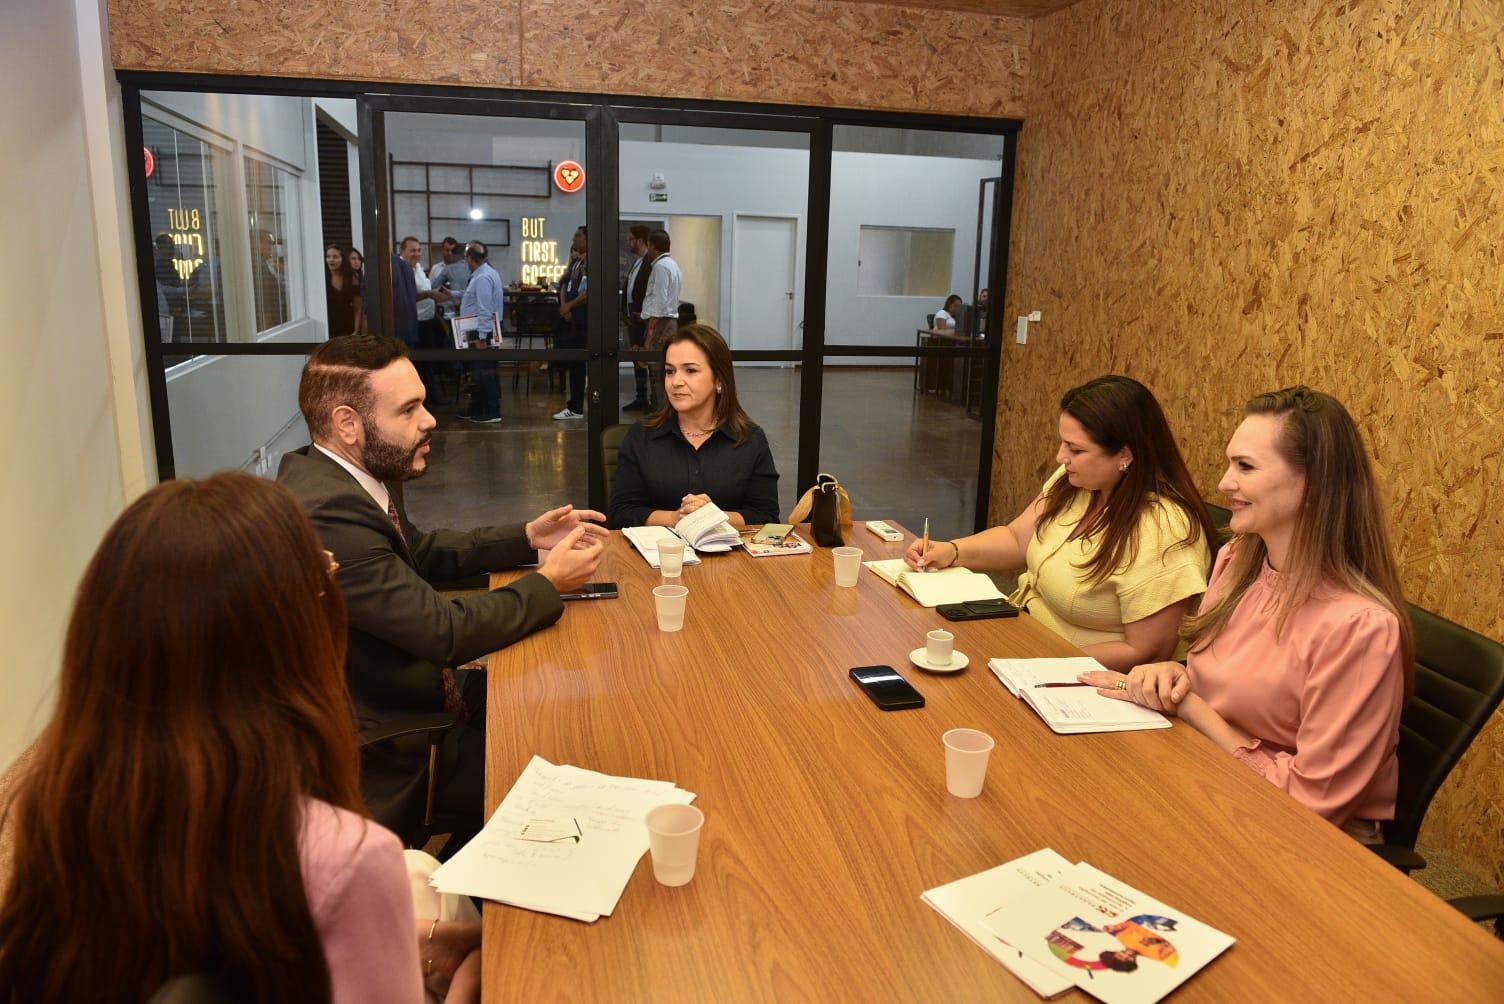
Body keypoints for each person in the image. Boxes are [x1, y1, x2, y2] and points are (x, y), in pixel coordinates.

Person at [0, 473, 481, 1002]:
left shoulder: (51, 807)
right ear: (289, 637)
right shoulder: (341, 853)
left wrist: (414, 937)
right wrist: (470, 985)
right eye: (325, 575)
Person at [277, 335, 607, 851]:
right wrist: (549, 582)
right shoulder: (328, 513)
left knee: (571, 700)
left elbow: (419, 552)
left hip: (419, 690)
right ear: (347, 424)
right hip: (398, 736)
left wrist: (524, 537)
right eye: (409, 410)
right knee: (568, 763)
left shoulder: (344, 475)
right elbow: (444, 632)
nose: (429, 420)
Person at [1081, 387, 1413, 839]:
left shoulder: (1359, 627)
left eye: (1246, 467)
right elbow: (1222, 680)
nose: (1223, 482)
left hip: (1304, 842)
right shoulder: (1239, 561)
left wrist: (1194, 709)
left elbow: (1308, 808)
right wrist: (1171, 676)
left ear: (1313, 484)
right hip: (1210, 778)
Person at [907, 375, 1216, 672]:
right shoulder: (1077, 483)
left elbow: (1146, 651)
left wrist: (1041, 664)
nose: (1060, 456)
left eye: (1076, 449)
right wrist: (950, 550)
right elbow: (1017, 539)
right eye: (1064, 443)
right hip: (1026, 640)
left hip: (1080, 676)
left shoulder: (1164, 529)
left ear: (1125, 454)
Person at [608, 324, 779, 530]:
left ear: (719, 380)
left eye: (690, 370)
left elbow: (766, 516)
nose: (675, 382)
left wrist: (713, 517)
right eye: (670, 371)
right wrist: (677, 518)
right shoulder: (640, 436)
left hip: (731, 558)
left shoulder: (750, 439)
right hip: (658, 557)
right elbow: (621, 513)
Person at [458, 241, 504, 423]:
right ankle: (477, 408)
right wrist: (454, 294)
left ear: (470, 258)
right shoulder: (484, 274)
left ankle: (492, 411)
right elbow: (473, 298)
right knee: (480, 372)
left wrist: (482, 337)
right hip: (481, 328)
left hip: (482, 330)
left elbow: (485, 308)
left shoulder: (483, 277)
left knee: (485, 372)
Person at [641, 228, 683, 407]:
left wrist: (650, 331)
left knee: (657, 370)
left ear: (653, 246)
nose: (647, 250)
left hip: (661, 323)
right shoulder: (672, 264)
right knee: (662, 368)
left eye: (649, 246)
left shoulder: (660, 266)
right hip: (669, 322)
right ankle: (661, 411)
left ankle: (660, 412)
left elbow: (659, 300)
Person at [553, 226, 588, 421]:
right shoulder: (576, 261)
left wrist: (571, 306)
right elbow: (565, 283)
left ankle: (576, 407)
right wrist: (564, 304)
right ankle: (574, 404)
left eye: (578, 236)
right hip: (571, 318)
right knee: (573, 363)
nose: (574, 239)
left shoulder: (591, 263)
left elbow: (588, 292)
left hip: (583, 320)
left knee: (578, 363)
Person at [620, 224, 654, 412]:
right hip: (633, 320)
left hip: (644, 320)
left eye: (631, 239)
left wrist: (643, 315)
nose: (628, 242)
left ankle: (652, 401)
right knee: (636, 359)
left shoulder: (650, 263)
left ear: (640, 240)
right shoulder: (638, 262)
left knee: (647, 360)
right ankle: (641, 397)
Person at [325, 243, 362, 338]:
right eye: (328, 256)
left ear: (342, 259)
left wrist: (356, 331)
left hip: (348, 330)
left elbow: (358, 308)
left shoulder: (352, 279)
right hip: (327, 330)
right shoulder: (323, 279)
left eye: (335, 257)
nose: (331, 260)